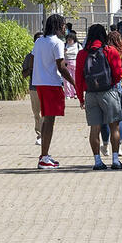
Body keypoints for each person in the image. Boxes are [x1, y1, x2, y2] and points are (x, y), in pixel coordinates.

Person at [75, 24, 122, 170]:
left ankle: (97, 161)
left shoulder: (82, 54)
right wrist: (111, 84)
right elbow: (118, 73)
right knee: (114, 126)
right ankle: (115, 160)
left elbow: (78, 78)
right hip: (108, 92)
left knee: (94, 128)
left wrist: (81, 98)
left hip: (90, 94)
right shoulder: (110, 51)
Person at [31, 15, 76, 169]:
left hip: (39, 83)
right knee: (49, 121)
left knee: (46, 119)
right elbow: (61, 67)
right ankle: (44, 158)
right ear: (57, 26)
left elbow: (32, 59)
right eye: (63, 25)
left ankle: (44, 154)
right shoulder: (57, 43)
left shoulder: (39, 41)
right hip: (51, 84)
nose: (65, 28)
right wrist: (74, 83)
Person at [100, 29, 122, 158]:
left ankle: (105, 145)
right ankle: (118, 145)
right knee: (118, 119)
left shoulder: (103, 53)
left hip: (105, 89)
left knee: (104, 119)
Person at [23, 32, 45, 146]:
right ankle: (40, 134)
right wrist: (31, 68)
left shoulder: (47, 54)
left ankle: (46, 133)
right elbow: (24, 74)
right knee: (37, 112)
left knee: (46, 112)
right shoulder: (29, 56)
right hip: (34, 87)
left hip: (47, 86)